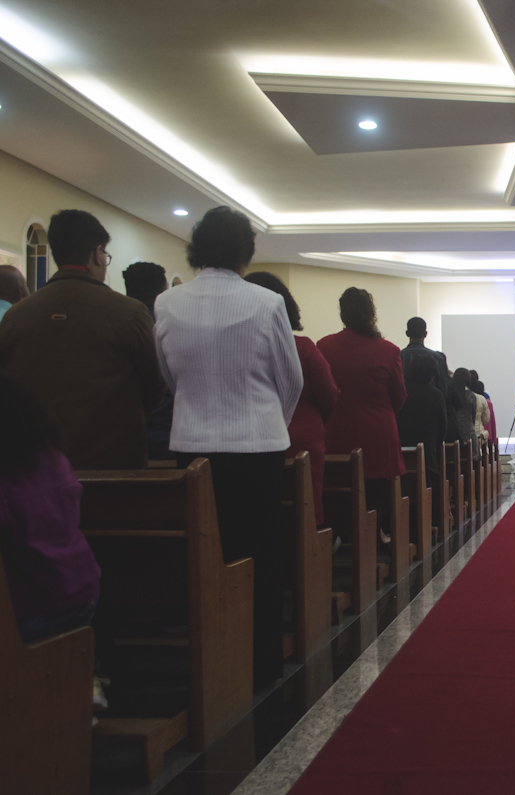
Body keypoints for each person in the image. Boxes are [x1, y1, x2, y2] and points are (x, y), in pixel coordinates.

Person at [154, 206, 303, 689]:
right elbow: (291, 379)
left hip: (192, 446)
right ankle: (260, 665)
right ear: (246, 251)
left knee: (204, 553)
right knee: (258, 550)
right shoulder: (266, 302)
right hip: (257, 447)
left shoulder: (167, 303)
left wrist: (196, 408)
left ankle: (210, 661)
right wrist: (271, 425)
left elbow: (168, 375)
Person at [0, 210, 163, 470]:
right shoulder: (128, 313)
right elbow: (153, 386)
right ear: (98, 254)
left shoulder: (15, 316)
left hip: (38, 466)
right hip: (115, 463)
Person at [0, 370, 101, 645]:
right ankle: (88, 678)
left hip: (32, 607)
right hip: (81, 593)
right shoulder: (52, 459)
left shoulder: (7, 481)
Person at [244, 271, 340, 529]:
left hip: (251, 431)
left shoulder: (238, 344)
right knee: (306, 504)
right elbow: (328, 393)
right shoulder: (303, 347)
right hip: (301, 433)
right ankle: (311, 547)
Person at [320, 288, 407, 546]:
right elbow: (399, 396)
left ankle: (338, 534)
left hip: (337, 429)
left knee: (337, 487)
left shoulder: (324, 346)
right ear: (371, 313)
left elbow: (320, 390)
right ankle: (376, 533)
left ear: (343, 313)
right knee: (374, 490)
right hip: (377, 432)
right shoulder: (388, 350)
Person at [123, 261, 175, 461]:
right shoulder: (171, 322)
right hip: (167, 431)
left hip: (127, 434)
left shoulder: (118, 321)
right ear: (164, 290)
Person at [397, 356, 447, 541]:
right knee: (427, 486)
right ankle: (429, 526)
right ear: (432, 375)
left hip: (401, 453)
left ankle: (401, 528)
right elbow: (443, 426)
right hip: (427, 454)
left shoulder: (401, 392)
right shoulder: (436, 395)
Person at [400, 317, 458, 443]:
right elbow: (443, 390)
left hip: (404, 417)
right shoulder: (437, 358)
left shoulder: (399, 356)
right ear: (425, 334)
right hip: (430, 419)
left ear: (407, 333)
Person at [451, 368, 482, 463]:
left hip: (454, 431)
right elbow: (473, 416)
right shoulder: (471, 396)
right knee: (472, 462)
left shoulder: (451, 394)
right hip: (469, 432)